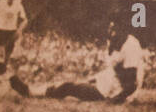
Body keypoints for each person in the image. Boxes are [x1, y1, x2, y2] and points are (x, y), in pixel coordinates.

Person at [10, 19, 144, 103]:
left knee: (69, 87)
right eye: (110, 28)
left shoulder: (130, 45)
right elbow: (113, 68)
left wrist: (116, 99)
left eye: (113, 29)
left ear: (122, 29)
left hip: (113, 91)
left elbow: (131, 84)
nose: (110, 32)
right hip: (108, 83)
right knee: (71, 83)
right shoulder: (116, 41)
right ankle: (34, 90)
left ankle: (31, 92)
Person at [0, 0, 29, 73]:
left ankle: (2, 69)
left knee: (8, 52)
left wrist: (19, 30)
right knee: (1, 51)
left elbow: (25, 20)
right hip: (0, 30)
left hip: (11, 32)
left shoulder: (18, 6)